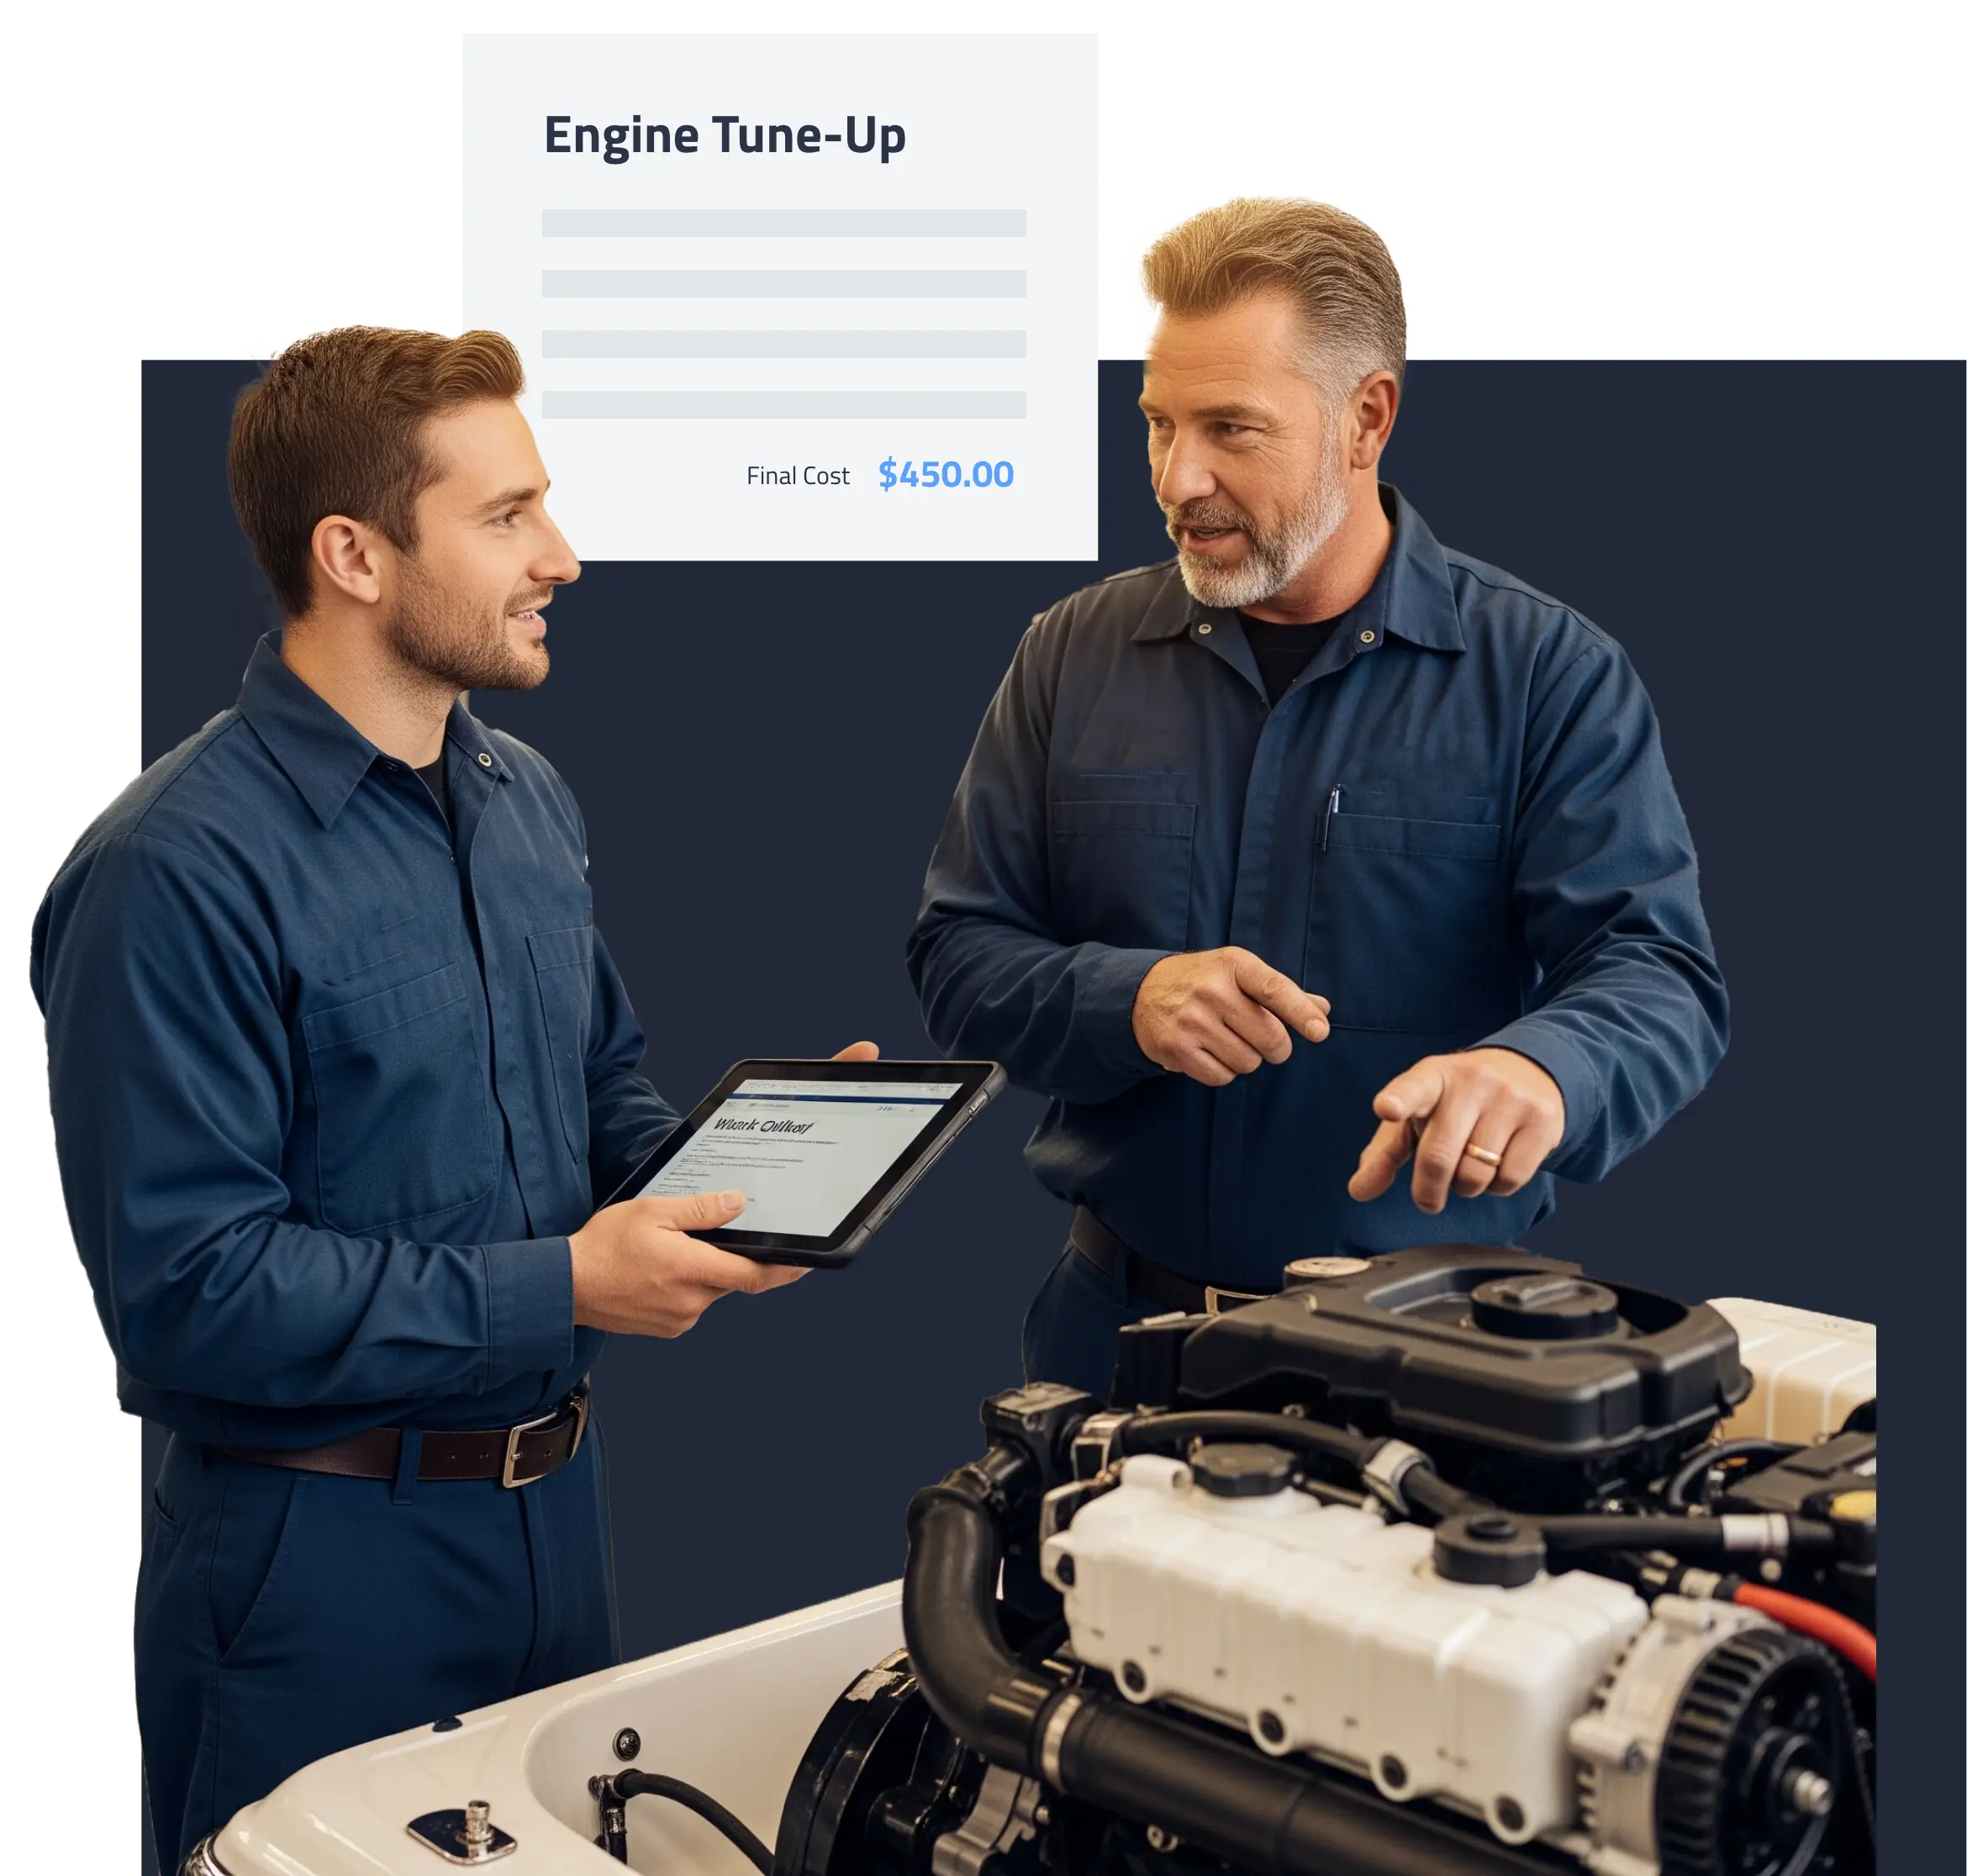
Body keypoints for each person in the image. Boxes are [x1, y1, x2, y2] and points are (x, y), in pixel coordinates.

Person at [29, 324, 874, 1866]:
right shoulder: (169, 872)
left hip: (556, 1524)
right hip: (312, 1566)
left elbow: (598, 1084)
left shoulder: (521, 795)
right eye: (506, 517)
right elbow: (187, 1293)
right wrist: (565, 1285)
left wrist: (732, 1169)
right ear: (352, 553)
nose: (560, 555)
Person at [905, 192, 1728, 1399]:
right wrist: (1120, 999)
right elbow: (957, 955)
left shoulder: (1550, 673)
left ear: (1367, 418)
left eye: (1232, 429)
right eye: (1157, 423)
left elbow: (1661, 973)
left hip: (1428, 1359)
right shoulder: (1067, 654)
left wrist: (1547, 1070)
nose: (1179, 478)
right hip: (1110, 1347)